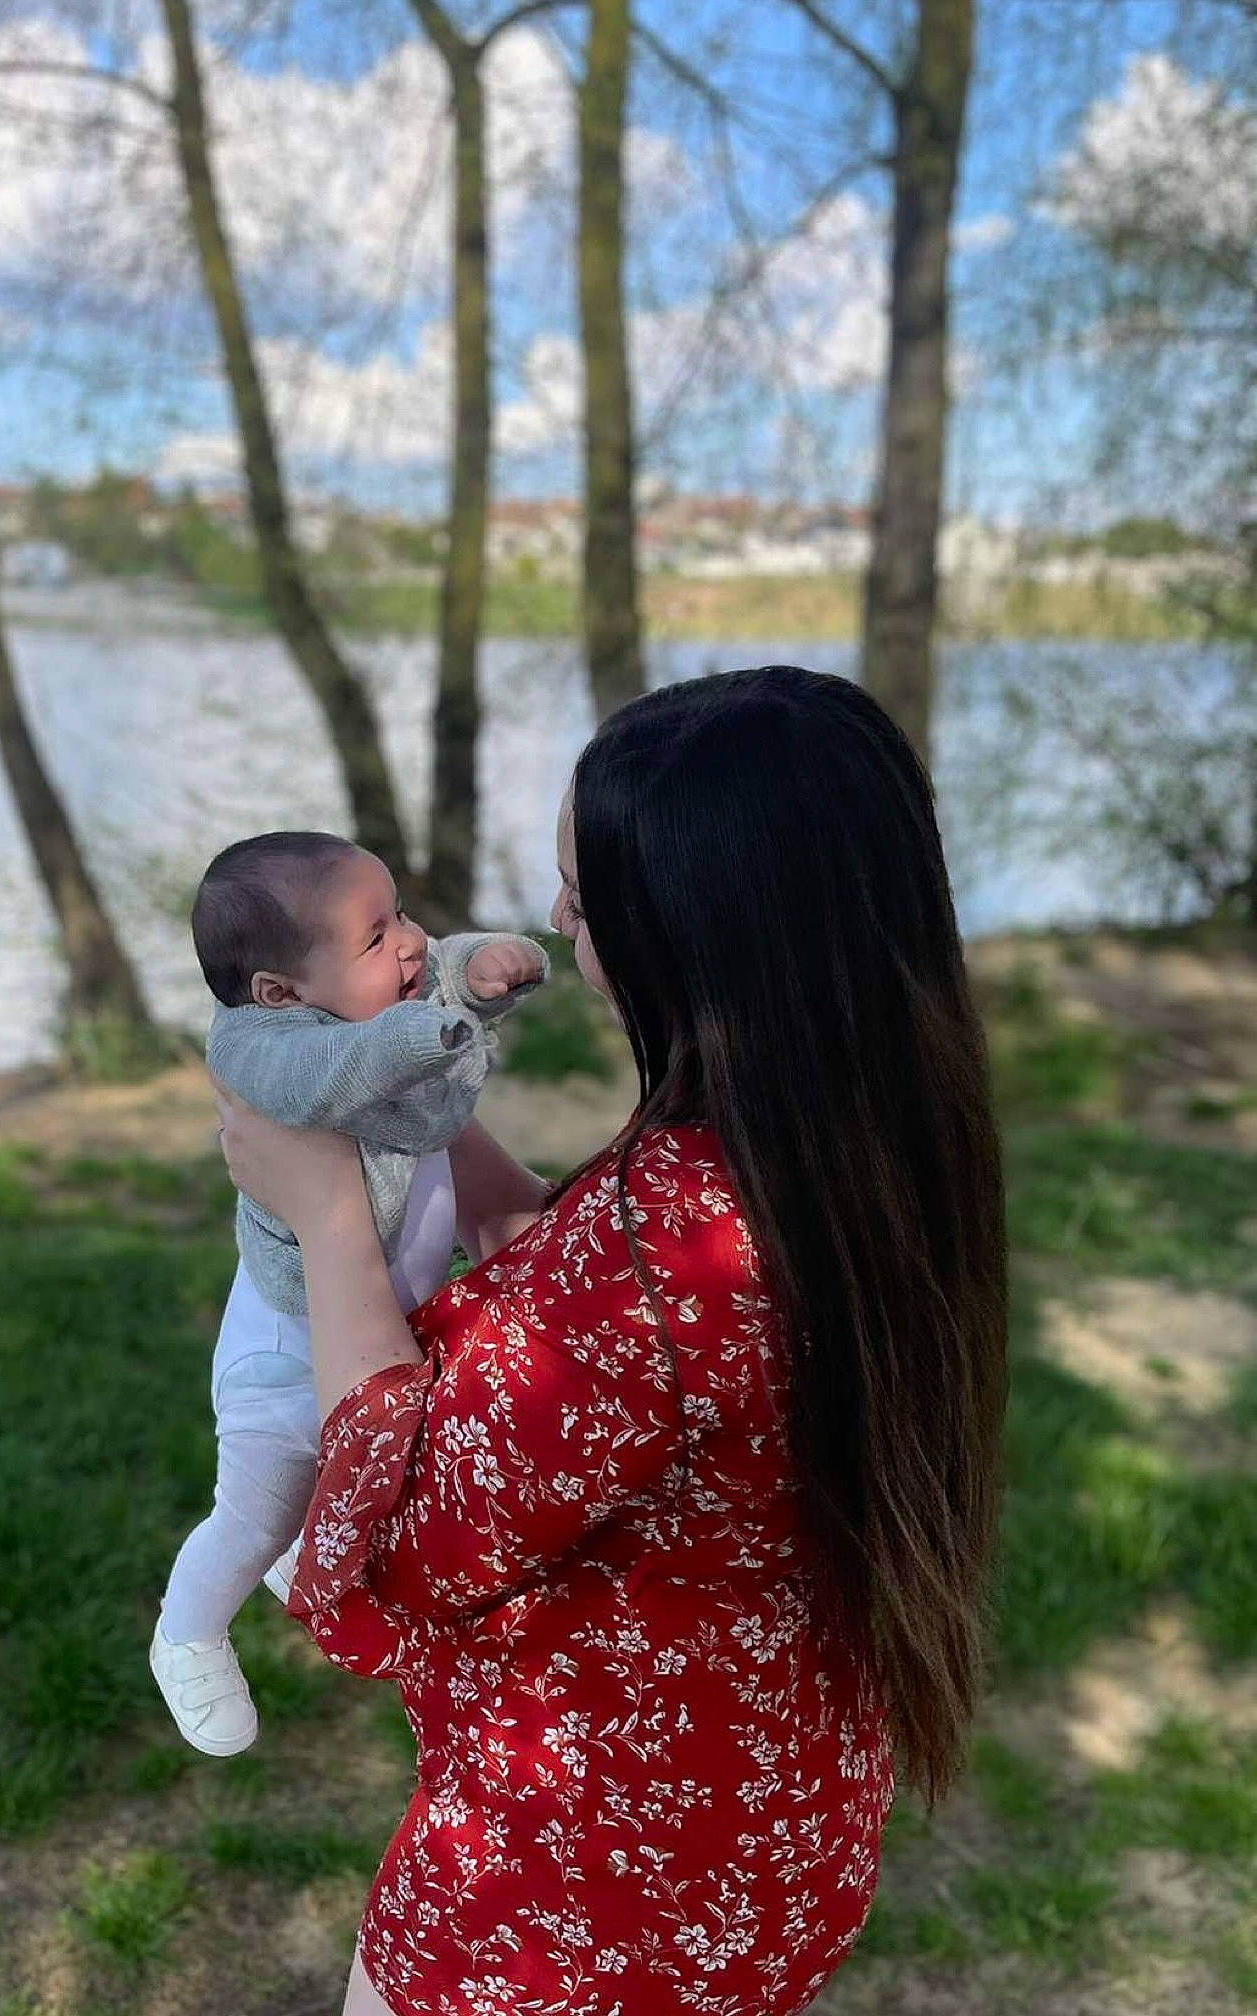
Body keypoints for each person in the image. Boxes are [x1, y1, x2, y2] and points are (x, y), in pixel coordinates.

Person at [213, 668, 1009, 2015]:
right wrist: (442, 1137)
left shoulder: (670, 1240)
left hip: (575, 1897)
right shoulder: (865, 1148)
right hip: (765, 1823)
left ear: (689, 926)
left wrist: (328, 1219)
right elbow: (603, 1340)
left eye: (586, 890)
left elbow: (411, 1529)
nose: (559, 917)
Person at [152, 832, 546, 1755]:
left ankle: (297, 1554)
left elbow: (436, 973)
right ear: (280, 993)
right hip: (282, 1363)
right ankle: (188, 1636)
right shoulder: (261, 1050)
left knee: (329, 1500)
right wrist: (429, 1029)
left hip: (356, 1343)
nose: (410, 941)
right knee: (249, 1515)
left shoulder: (376, 1004)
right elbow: (337, 1072)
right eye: (377, 937)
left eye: (401, 912)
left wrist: (479, 968)